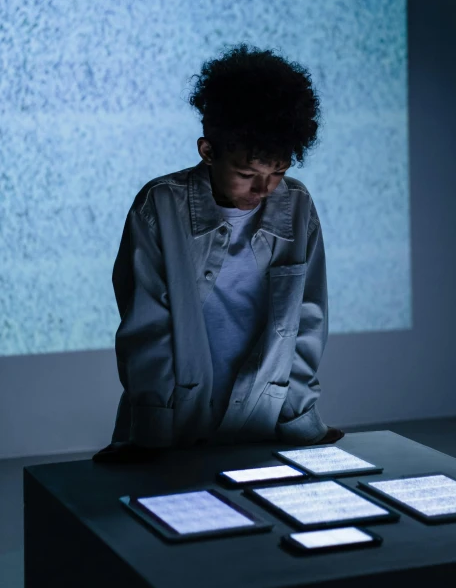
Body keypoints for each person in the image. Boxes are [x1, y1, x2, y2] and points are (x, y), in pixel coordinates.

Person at [93, 43, 344, 463]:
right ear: (208, 151)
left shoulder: (298, 205)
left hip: (266, 420)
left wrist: (301, 421)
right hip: (177, 422)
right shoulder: (160, 205)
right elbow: (146, 327)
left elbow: (308, 318)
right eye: (248, 174)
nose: (265, 189)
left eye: (278, 172)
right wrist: (151, 432)